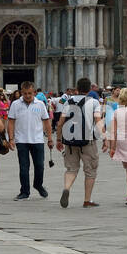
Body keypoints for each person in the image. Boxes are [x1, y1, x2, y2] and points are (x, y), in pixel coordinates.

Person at [55, 77, 103, 208]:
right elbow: (98, 121)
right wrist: (106, 138)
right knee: (90, 171)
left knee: (71, 169)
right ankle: (87, 200)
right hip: (88, 141)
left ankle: (67, 188)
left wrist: (59, 140)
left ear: (77, 88)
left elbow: (60, 123)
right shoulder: (94, 102)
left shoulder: (68, 101)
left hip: (70, 142)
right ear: (89, 89)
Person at [8, 81, 52, 200]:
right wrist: (11, 139)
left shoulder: (40, 104)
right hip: (21, 139)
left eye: (30, 93)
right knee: (23, 167)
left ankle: (38, 184)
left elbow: (47, 121)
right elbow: (11, 122)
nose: (27, 96)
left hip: (37, 139)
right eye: (25, 93)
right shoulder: (15, 104)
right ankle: (24, 191)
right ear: (21, 92)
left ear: (34, 92)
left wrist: (50, 139)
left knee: (40, 166)